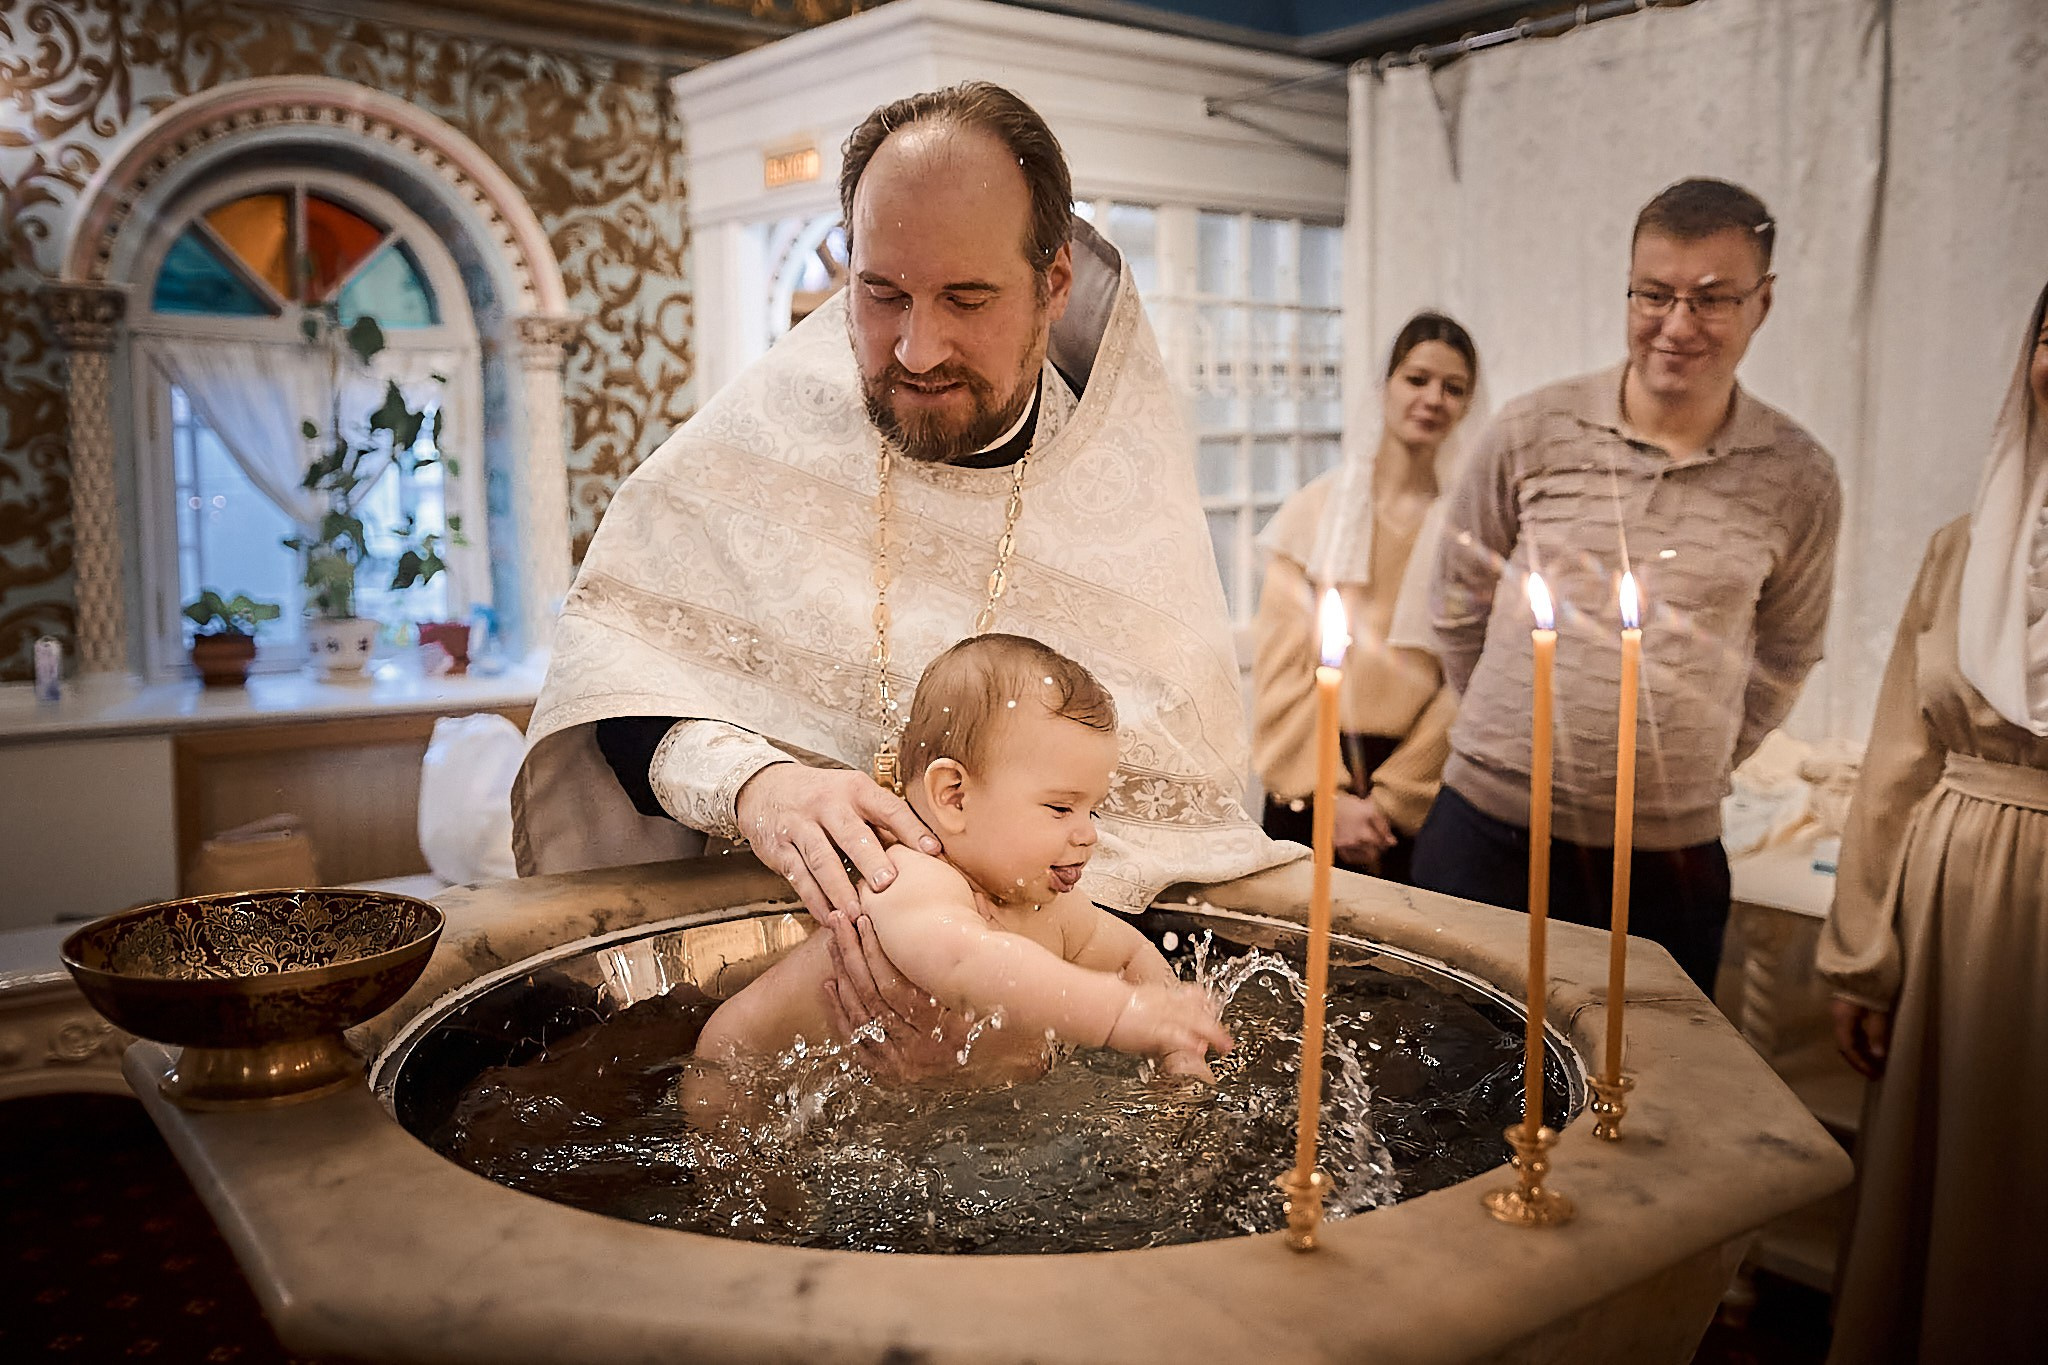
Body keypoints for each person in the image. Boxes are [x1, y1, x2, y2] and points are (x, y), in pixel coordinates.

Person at [513, 83, 1295, 1066]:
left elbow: (1166, 858)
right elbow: (619, 685)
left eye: (966, 298)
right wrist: (758, 786)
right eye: (881, 293)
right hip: (759, 1024)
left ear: (1052, 284)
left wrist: (1018, 1032)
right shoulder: (758, 440)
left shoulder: (1128, 507)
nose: (916, 350)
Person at [1416, 178, 1841, 993]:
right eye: (1654, 294)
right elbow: (1457, 601)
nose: (1677, 324)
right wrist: (1513, 732)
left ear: (1763, 301)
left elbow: (1786, 654)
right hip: (1489, 830)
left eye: (1711, 299)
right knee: (1451, 1062)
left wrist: (1684, 760)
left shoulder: (1800, 475)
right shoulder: (1532, 429)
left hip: (1666, 859)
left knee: (1649, 1070)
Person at [1815, 280, 2048, 1364]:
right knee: (1947, 1172)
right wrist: (1861, 954)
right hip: (1956, 895)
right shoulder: (1962, 548)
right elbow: (1898, 756)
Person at [690, 635, 1229, 1101]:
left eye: (1094, 811)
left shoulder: (1045, 905)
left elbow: (1133, 954)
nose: (1088, 834)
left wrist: (1178, 1047)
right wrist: (1119, 1014)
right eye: (1061, 808)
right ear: (955, 797)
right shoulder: (909, 878)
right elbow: (968, 961)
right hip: (735, 1085)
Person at [1252, 312, 1479, 881]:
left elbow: (1470, 678)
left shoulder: (1469, 534)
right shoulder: (1313, 512)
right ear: (1385, 386)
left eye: (1453, 388)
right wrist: (1328, 797)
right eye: (1417, 379)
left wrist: (1391, 801)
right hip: (1311, 774)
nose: (1433, 399)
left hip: (1417, 788)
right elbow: (1281, 671)